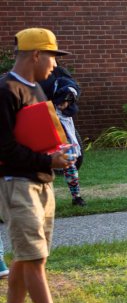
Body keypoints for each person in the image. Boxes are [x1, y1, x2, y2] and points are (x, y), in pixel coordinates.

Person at [0, 28, 90, 303]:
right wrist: (46, 159)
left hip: (41, 181)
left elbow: (36, 134)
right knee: (34, 256)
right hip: (16, 183)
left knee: (28, 256)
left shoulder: (36, 89)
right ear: (36, 54)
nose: (55, 65)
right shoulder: (5, 90)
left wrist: (59, 151)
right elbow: (5, 148)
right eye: (52, 56)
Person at [40, 65, 86, 207]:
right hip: (36, 122)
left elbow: (72, 88)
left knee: (68, 157)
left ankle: (76, 197)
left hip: (58, 121)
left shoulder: (57, 74)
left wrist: (66, 98)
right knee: (40, 160)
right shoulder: (24, 78)